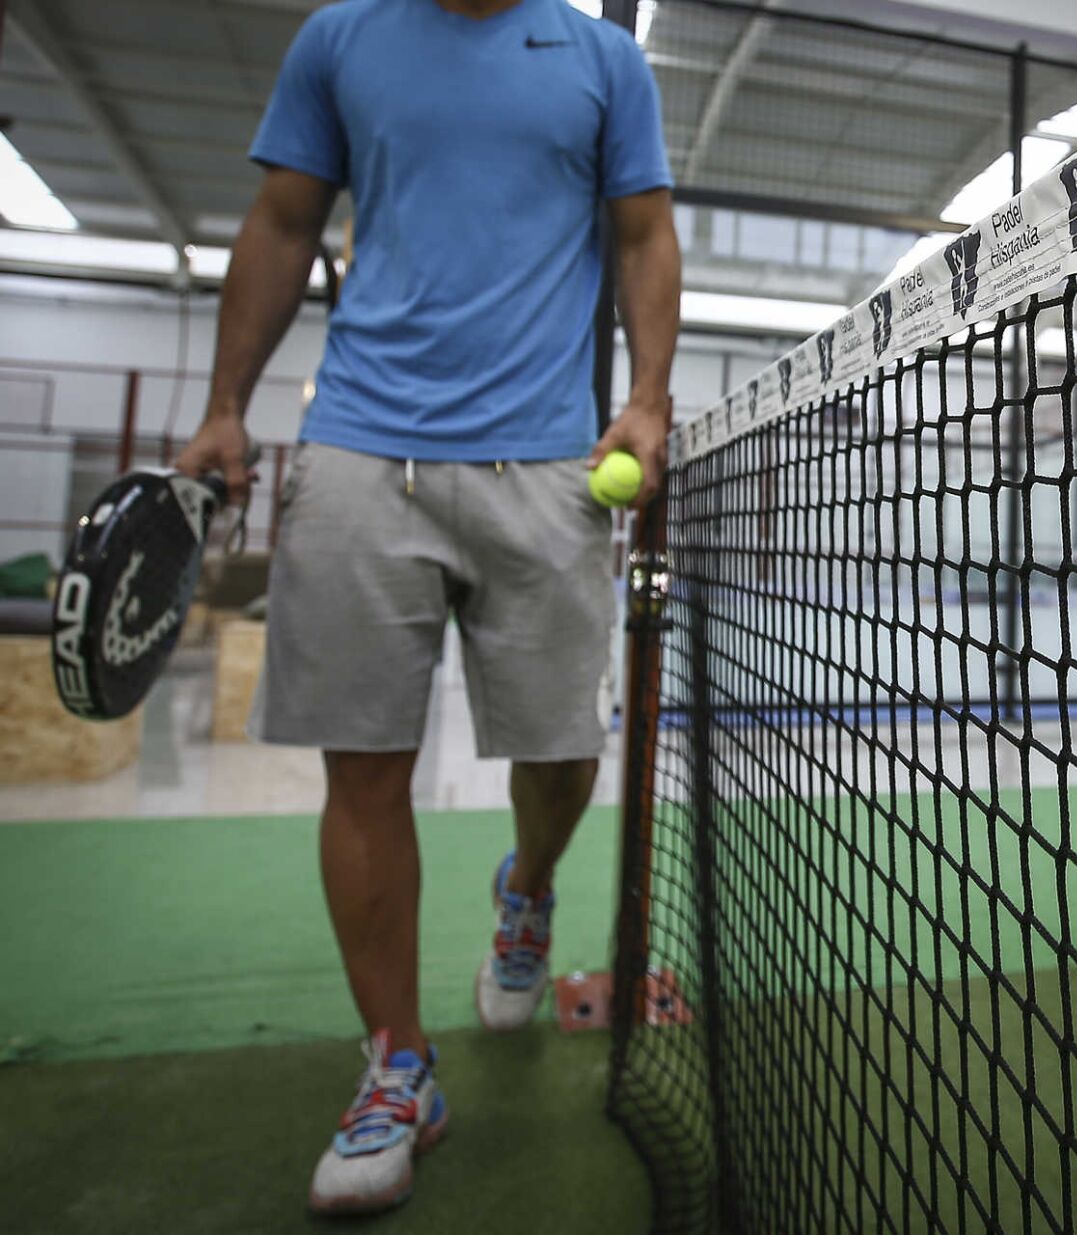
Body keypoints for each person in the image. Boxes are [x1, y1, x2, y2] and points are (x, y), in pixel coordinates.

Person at [173, 0, 680, 1215]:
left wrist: (649, 400)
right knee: (363, 768)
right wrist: (224, 403)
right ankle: (398, 1062)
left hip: (550, 463)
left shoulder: (603, 59)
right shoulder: (339, 39)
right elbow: (284, 218)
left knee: (561, 752)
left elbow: (645, 235)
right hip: (358, 450)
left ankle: (526, 889)